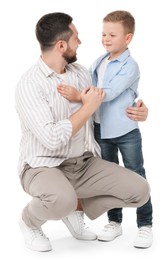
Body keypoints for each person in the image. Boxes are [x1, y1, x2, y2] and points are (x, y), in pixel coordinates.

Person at [15, 12, 150, 252]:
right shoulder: (29, 84)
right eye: (76, 37)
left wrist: (140, 110)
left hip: (82, 164)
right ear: (61, 45)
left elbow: (109, 99)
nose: (81, 42)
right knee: (61, 200)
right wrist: (87, 106)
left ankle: (75, 206)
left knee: (140, 191)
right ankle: (30, 221)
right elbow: (52, 139)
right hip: (42, 165)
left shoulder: (80, 73)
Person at [89, 10, 153, 248]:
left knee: (136, 174)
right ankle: (114, 222)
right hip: (101, 131)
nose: (106, 38)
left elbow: (109, 93)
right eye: (103, 33)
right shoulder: (99, 62)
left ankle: (145, 225)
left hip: (126, 132)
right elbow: (87, 83)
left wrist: (81, 94)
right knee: (109, 179)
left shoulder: (130, 66)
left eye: (112, 35)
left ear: (127, 38)